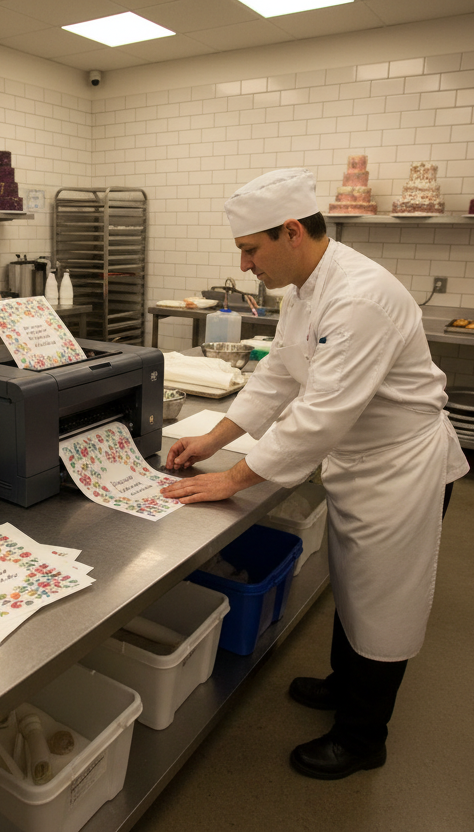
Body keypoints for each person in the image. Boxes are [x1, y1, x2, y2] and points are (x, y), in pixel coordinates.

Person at [161, 168, 469, 780]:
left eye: (251, 250)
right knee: (353, 583)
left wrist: (231, 480)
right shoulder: (306, 288)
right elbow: (278, 375)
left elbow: (320, 416)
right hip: (361, 462)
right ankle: (343, 684)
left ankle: (362, 737)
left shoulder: (359, 296)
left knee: (386, 602)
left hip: (401, 468)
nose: (246, 265)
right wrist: (212, 438)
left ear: (292, 231)